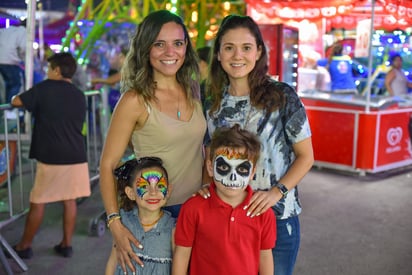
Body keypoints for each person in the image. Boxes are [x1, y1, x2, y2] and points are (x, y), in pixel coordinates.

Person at [201, 15, 314, 275]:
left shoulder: (282, 96)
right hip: (227, 220)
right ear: (218, 54)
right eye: (229, 47)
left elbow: (305, 156)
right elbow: (209, 160)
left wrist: (277, 192)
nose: (237, 55)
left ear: (259, 51)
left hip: (277, 218)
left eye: (246, 48)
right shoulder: (211, 104)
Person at [99, 10, 206, 273]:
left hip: (196, 210)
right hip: (154, 213)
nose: (170, 51)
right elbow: (108, 164)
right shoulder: (134, 100)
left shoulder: (193, 89)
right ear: (146, 48)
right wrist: (115, 223)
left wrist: (205, 185)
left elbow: (200, 148)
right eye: (159, 44)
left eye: (178, 43)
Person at [10, 52, 91, 258]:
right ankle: (66, 244)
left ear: (56, 70)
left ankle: (24, 246)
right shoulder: (79, 94)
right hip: (76, 155)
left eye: (49, 68)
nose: (47, 72)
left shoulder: (45, 88)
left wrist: (11, 96)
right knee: (69, 201)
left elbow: (17, 101)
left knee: (38, 201)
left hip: (52, 156)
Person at [173, 125, 277, 275]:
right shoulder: (193, 208)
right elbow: (182, 255)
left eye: (242, 169)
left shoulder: (263, 213)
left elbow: (265, 257)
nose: (232, 177)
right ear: (210, 167)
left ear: (252, 172)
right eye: (224, 167)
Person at [105, 157, 175, 275]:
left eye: (160, 186)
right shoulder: (123, 222)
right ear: (130, 193)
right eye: (144, 187)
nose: (153, 192)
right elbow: (113, 262)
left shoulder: (173, 229)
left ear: (168, 191)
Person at [0, 18, 26, 103]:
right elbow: (24, 48)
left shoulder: (6, 30)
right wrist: (23, 59)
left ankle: (3, 108)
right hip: (9, 61)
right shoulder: (23, 31)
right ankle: (9, 109)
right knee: (15, 85)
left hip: (2, 59)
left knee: (4, 86)